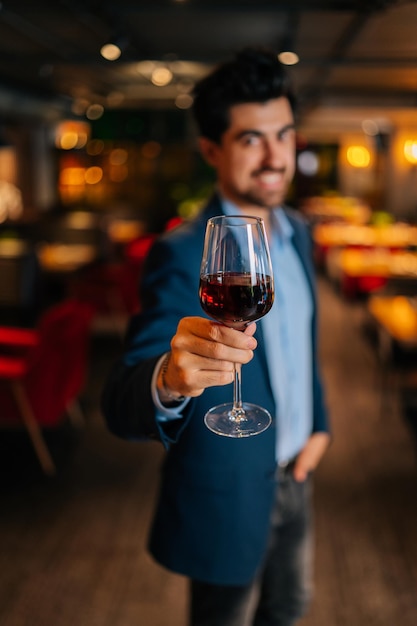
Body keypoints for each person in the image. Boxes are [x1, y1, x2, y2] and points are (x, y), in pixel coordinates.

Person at [101, 46, 331, 626]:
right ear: (212, 150)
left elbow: (304, 346)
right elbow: (123, 399)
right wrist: (168, 379)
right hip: (227, 492)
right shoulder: (182, 254)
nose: (276, 155)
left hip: (297, 474)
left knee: (289, 607)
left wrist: (319, 425)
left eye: (283, 133)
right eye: (252, 139)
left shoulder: (299, 233)